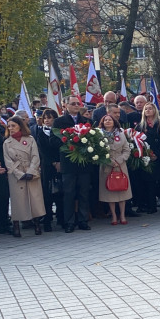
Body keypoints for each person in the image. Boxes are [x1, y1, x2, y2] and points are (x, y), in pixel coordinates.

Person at [53, 97, 92, 232]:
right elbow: (54, 141)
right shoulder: (59, 122)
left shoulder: (86, 121)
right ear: (65, 105)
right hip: (68, 162)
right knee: (68, 193)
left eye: (78, 104)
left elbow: (93, 139)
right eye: (73, 104)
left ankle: (83, 220)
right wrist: (69, 142)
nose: (76, 106)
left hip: (84, 163)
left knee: (84, 192)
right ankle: (69, 222)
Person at [2, 116, 45, 236]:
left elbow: (35, 156)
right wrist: (19, 174)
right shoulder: (7, 142)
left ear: (20, 126)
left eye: (13, 126)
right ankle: (16, 225)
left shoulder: (30, 139)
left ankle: (36, 223)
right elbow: (8, 161)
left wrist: (31, 171)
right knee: (18, 200)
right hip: (16, 174)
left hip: (31, 171)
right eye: (9, 126)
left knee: (34, 198)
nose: (11, 128)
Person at [95, 114, 133, 224]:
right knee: (110, 193)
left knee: (122, 192)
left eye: (110, 120)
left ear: (114, 121)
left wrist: (120, 160)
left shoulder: (120, 133)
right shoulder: (99, 134)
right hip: (107, 165)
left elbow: (127, 150)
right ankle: (114, 216)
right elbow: (97, 151)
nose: (108, 121)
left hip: (120, 165)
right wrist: (110, 161)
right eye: (105, 120)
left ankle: (122, 215)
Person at [138, 103, 160, 213]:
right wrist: (147, 154)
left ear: (155, 110)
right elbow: (138, 142)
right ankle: (152, 206)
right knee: (149, 182)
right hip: (147, 158)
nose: (148, 111)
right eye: (146, 109)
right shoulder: (141, 126)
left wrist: (157, 154)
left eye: (150, 109)